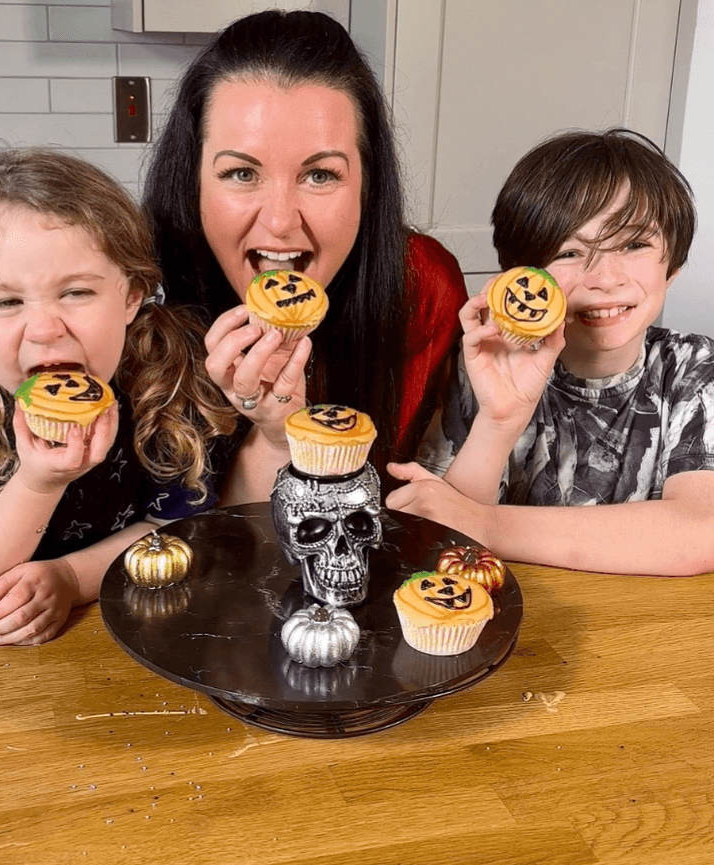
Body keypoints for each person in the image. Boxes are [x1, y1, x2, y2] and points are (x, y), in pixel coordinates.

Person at [0, 149, 235, 646]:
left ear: (131, 295)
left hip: (115, 620)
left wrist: (70, 577)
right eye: (6, 302)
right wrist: (39, 482)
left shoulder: (162, 389)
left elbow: (173, 530)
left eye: (76, 292)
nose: (43, 329)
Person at [143, 9, 467, 502]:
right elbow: (182, 553)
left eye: (320, 175)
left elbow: (414, 510)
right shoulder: (139, 302)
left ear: (366, 183)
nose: (279, 222)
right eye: (240, 174)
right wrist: (273, 435)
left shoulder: (422, 285)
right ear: (193, 181)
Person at [389, 129, 714, 577]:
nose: (605, 277)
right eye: (569, 251)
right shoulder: (483, 367)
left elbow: (700, 530)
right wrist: (499, 420)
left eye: (635, 244)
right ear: (523, 278)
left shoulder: (693, 370)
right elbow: (436, 534)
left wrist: (485, 525)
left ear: (672, 267)